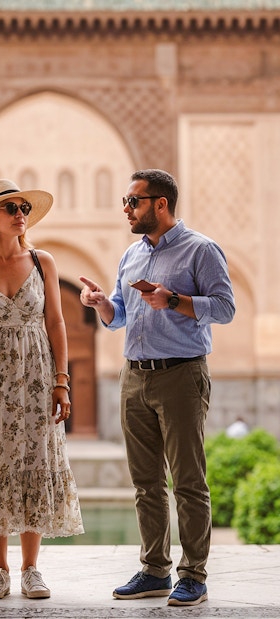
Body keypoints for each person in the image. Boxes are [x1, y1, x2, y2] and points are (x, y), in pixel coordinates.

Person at [80, 169, 235, 607]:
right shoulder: (131, 255)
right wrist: (101, 306)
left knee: (188, 480)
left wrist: (173, 300)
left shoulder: (200, 250)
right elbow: (122, 316)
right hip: (135, 376)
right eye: (126, 202)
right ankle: (154, 570)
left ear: (160, 204)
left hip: (181, 375)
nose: (126, 209)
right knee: (145, 481)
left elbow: (225, 308)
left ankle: (194, 576)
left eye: (133, 201)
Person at [0, 178, 84, 600]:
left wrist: (62, 382)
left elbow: (58, 323)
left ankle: (30, 569)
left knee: (34, 459)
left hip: (36, 375)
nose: (19, 213)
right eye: (10, 207)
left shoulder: (43, 261)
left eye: (23, 207)